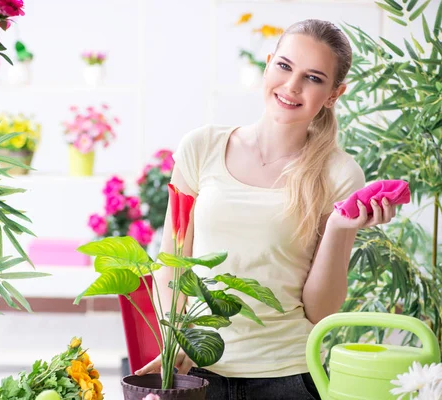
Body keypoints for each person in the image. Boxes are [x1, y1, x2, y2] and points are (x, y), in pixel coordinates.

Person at [135, 19, 398, 400]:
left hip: (287, 378)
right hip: (196, 371)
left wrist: (342, 228)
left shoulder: (339, 175)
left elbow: (320, 310)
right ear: (269, 63)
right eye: (285, 66)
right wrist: (171, 343)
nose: (292, 87)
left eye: (313, 78)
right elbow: (172, 260)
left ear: (333, 94)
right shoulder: (201, 148)